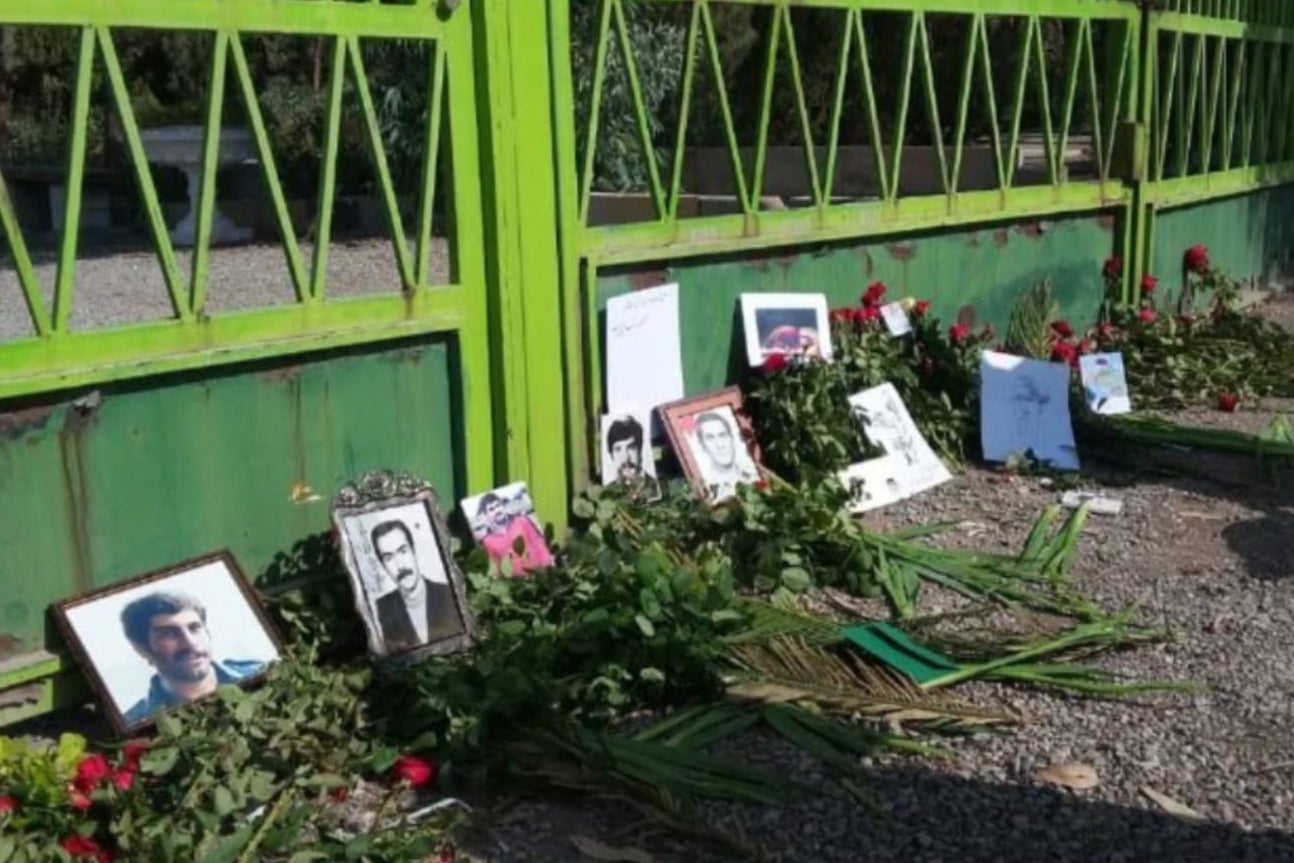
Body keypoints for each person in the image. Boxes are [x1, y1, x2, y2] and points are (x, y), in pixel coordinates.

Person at [120, 592, 267, 726]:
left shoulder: (265, 673)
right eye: (169, 634)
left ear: (208, 633)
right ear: (142, 649)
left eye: (194, 628)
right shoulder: (136, 723)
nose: (190, 642)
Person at [369, 519, 463, 653]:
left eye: (403, 551)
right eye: (389, 558)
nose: (400, 565)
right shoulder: (383, 609)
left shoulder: (447, 593)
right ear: (383, 566)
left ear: (413, 551)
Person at [476, 492, 554, 575]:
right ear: (486, 515)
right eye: (491, 509)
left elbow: (538, 543)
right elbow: (496, 568)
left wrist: (548, 566)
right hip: (516, 581)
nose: (497, 510)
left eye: (498, 505)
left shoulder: (521, 521)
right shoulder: (487, 542)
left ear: (503, 506)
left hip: (539, 572)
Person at [692, 410, 759, 501]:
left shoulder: (753, 474)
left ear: (732, 438)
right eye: (710, 438)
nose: (720, 445)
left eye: (722, 435)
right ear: (702, 445)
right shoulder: (708, 487)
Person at [604, 415, 660, 500]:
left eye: (631, 447)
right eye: (618, 449)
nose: (626, 457)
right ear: (612, 455)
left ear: (640, 450)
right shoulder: (607, 493)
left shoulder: (655, 487)